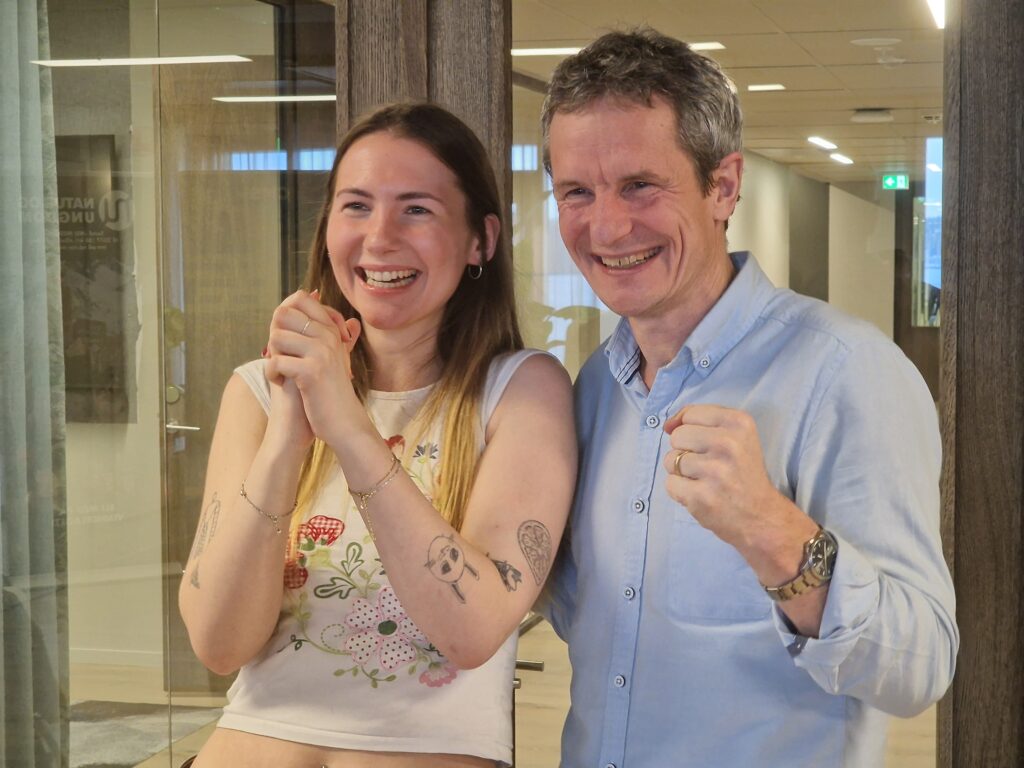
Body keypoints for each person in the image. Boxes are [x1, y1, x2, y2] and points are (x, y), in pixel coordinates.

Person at [539, 28, 958, 767]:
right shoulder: (594, 389)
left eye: (640, 185)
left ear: (723, 187)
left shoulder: (846, 372)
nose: (606, 226)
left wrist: (774, 535)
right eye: (577, 192)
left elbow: (921, 666)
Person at [178, 102, 576, 768]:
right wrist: (287, 439)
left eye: (416, 209)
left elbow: (471, 630)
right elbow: (219, 645)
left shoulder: (521, 390)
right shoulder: (257, 393)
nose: (380, 237)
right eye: (356, 206)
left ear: (481, 240)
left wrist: (348, 428)